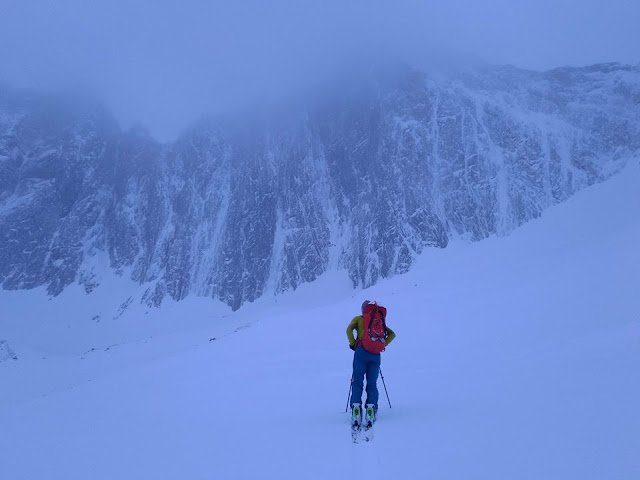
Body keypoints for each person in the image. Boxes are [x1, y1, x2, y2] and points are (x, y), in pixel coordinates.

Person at [346, 300, 396, 427]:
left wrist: (353, 344)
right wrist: (382, 344)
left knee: (357, 381)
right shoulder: (379, 321)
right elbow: (392, 334)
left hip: (361, 352)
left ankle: (356, 410)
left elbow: (348, 330)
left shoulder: (358, 319)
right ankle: (371, 409)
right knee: (372, 383)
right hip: (376, 355)